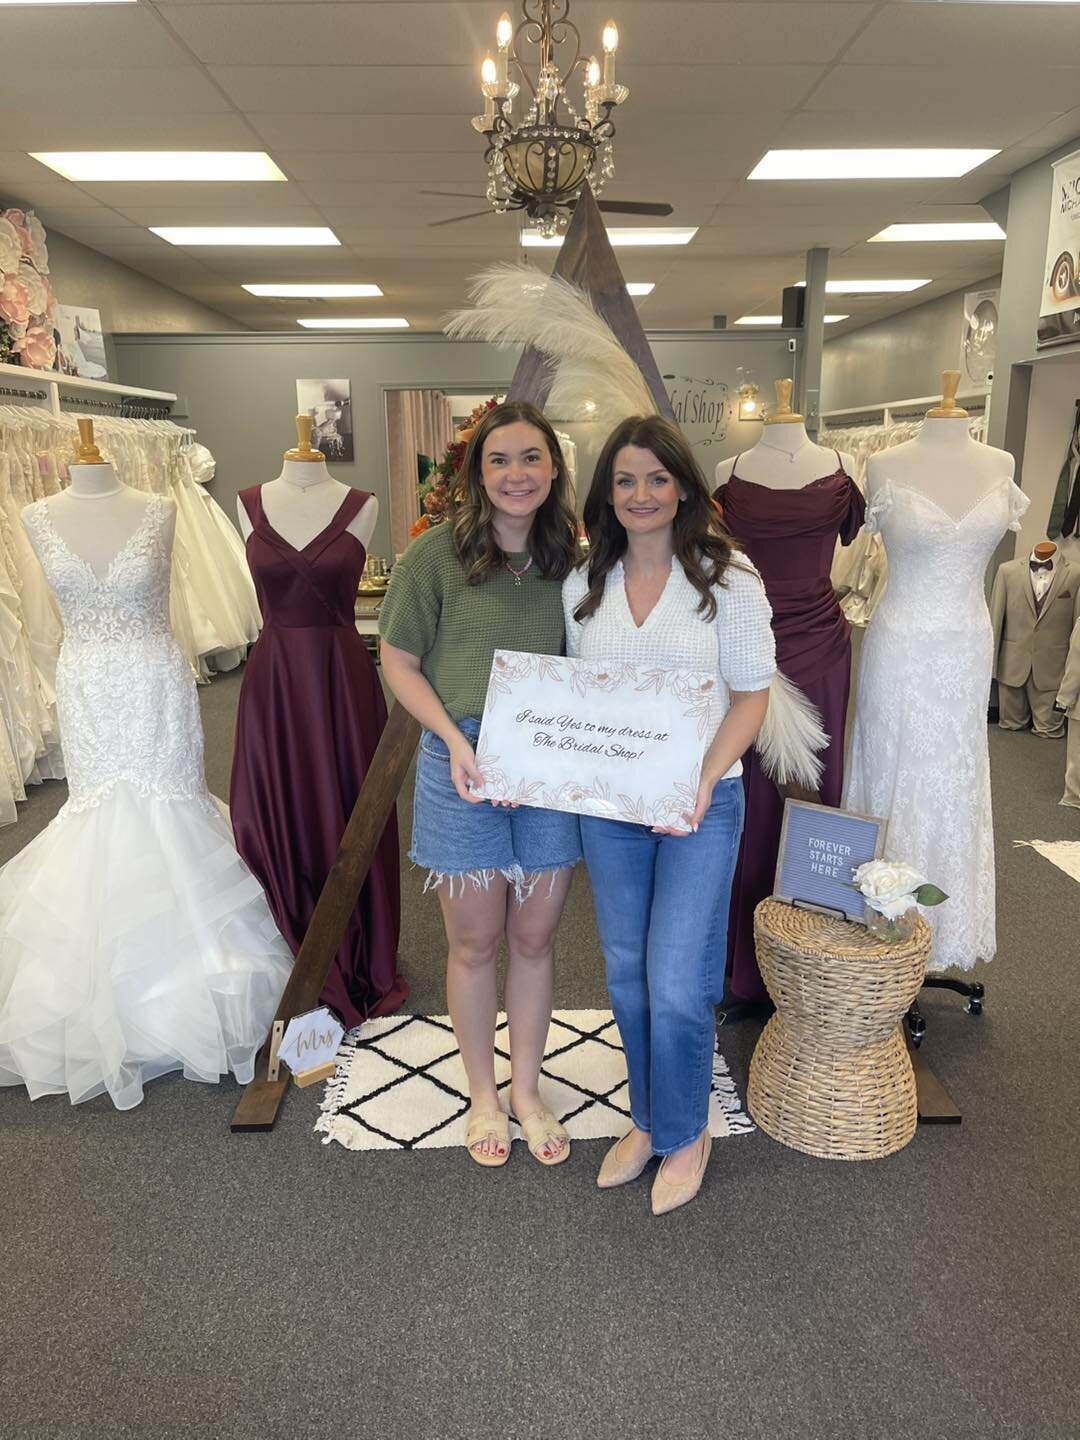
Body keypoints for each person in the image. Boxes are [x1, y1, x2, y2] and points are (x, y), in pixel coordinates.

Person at [563, 414, 775, 1215]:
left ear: (683, 485)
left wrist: (703, 780)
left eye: (656, 478)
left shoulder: (731, 581)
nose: (641, 494)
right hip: (610, 811)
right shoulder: (585, 583)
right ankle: (651, 1118)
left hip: (701, 807)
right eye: (624, 480)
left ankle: (688, 1131)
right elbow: (571, 701)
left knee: (680, 981)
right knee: (626, 974)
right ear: (606, 493)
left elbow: (752, 697)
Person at [379, 400, 581, 1168]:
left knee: (533, 939)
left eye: (531, 458)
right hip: (457, 766)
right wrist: (455, 740)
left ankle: (526, 1089)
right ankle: (483, 1095)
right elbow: (397, 661)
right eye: (499, 460)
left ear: (554, 468)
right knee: (474, 942)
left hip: (546, 774)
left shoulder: (575, 563)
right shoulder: (435, 557)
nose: (516, 474)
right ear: (477, 471)